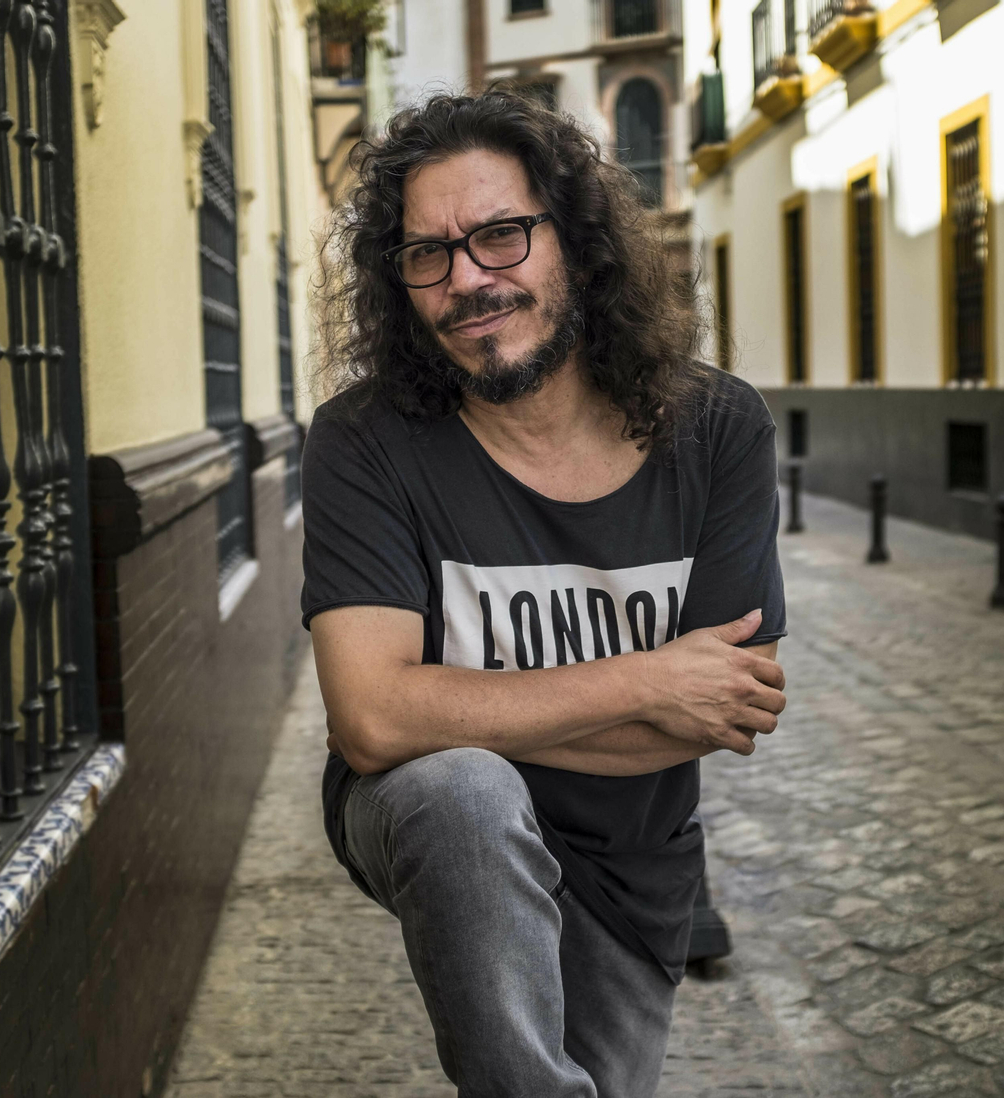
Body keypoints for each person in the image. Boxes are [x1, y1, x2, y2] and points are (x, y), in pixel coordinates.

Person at [301, 89, 787, 1097]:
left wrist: (451, 706)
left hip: (631, 858)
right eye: (428, 253)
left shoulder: (716, 430)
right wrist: (650, 680)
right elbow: (371, 723)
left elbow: (724, 705)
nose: (467, 279)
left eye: (501, 235)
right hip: (422, 820)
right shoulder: (365, 442)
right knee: (464, 790)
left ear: (573, 237)